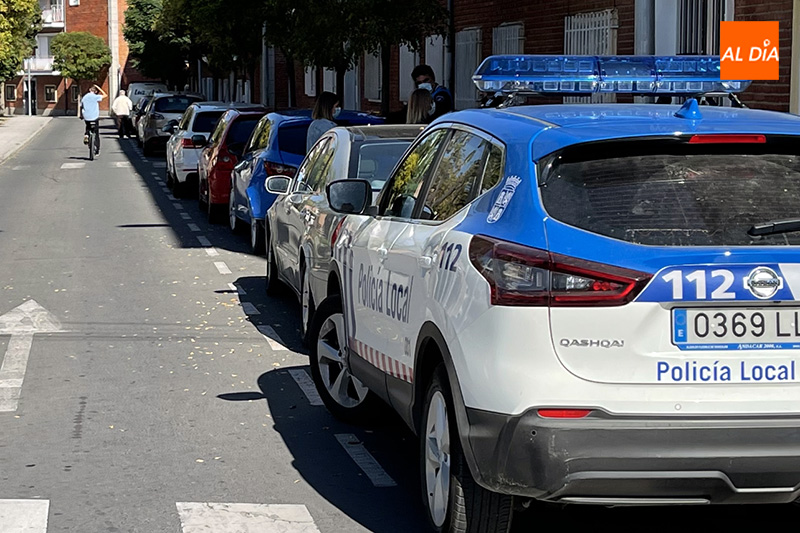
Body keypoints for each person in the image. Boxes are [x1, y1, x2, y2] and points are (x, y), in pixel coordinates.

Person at [80, 84, 107, 156]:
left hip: (86, 116)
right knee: (96, 133)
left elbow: (81, 106)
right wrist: (99, 87)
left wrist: (81, 115)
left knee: (88, 126)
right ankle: (97, 150)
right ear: (95, 91)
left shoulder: (84, 97)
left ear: (89, 90)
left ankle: (86, 135)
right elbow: (105, 95)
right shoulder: (95, 97)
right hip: (94, 117)